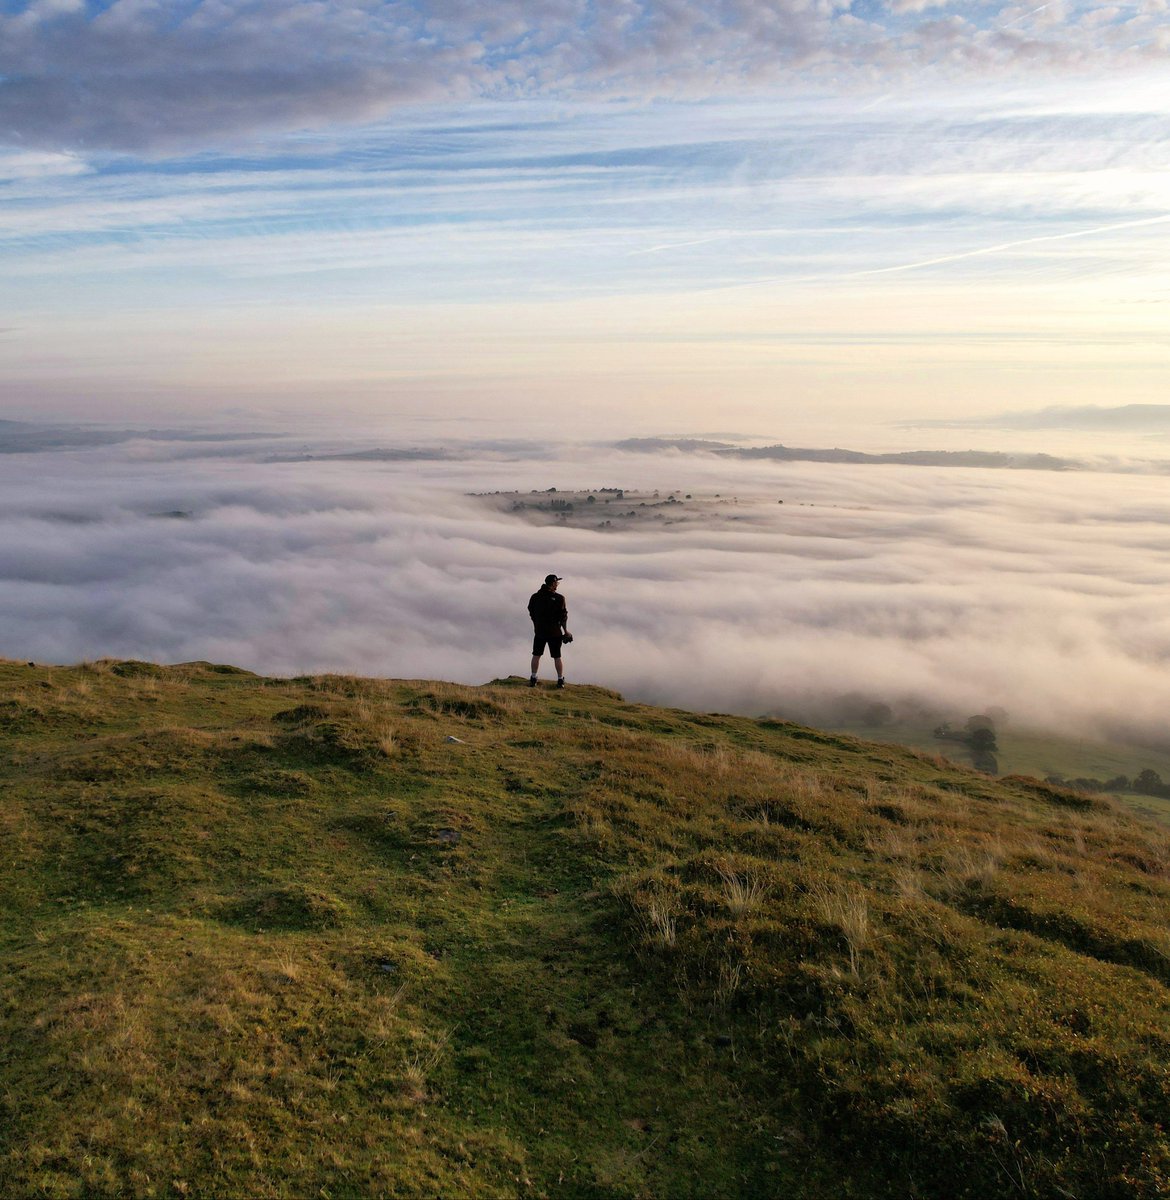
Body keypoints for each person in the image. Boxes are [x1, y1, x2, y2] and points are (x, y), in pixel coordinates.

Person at [528, 573, 571, 688]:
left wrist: (536, 625)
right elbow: (563, 617)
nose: (557, 584)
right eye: (556, 582)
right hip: (554, 632)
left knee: (536, 655)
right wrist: (566, 632)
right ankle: (560, 680)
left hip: (540, 632)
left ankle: (533, 678)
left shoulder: (535, 597)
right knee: (557, 656)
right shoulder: (559, 598)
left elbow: (531, 612)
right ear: (553, 584)